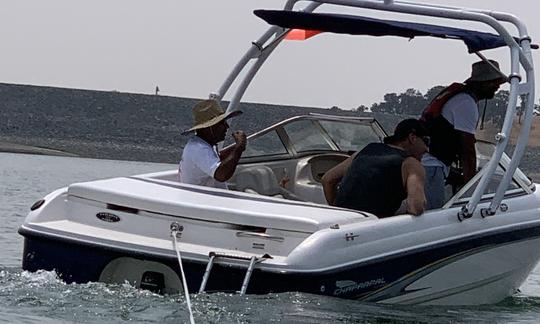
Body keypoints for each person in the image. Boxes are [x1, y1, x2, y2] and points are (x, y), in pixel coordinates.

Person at [420, 59, 507, 209]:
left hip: (432, 164)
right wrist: (471, 185)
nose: (497, 87)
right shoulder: (466, 103)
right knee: (431, 216)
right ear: (482, 82)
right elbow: (467, 149)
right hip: (432, 167)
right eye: (494, 82)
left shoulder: (462, 99)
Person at [322, 119, 429, 217]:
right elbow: (416, 207)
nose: (427, 149)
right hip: (371, 229)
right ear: (412, 138)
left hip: (340, 221)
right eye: (426, 141)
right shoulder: (412, 164)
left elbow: (328, 179)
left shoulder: (368, 150)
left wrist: (338, 210)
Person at [179, 99, 247, 189]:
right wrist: (239, 147)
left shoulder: (204, 144)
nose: (227, 126)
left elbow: (214, 161)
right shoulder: (199, 148)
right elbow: (221, 175)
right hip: (200, 201)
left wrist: (235, 149)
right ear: (209, 128)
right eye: (222, 123)